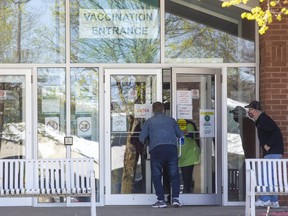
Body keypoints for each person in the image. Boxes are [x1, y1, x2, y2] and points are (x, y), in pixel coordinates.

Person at [139, 101, 183, 208]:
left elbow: (141, 138)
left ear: (153, 110)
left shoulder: (149, 122)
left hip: (156, 149)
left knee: (157, 175)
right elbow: (180, 135)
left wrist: (149, 142)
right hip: (171, 149)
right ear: (163, 110)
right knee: (174, 174)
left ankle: (161, 200)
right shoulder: (171, 120)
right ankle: (176, 199)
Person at [244, 100, 284, 208]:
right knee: (270, 177)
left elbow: (276, 132)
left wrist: (268, 144)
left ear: (256, 110)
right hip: (274, 152)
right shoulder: (261, 120)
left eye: (250, 110)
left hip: (272, 152)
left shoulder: (263, 120)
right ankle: (273, 200)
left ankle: (264, 199)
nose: (249, 112)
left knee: (264, 175)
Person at [178, 120, 200, 193]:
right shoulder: (172, 123)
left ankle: (187, 193)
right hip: (177, 155)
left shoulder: (189, 125)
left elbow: (191, 135)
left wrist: (184, 132)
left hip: (188, 155)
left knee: (186, 178)